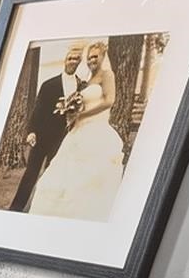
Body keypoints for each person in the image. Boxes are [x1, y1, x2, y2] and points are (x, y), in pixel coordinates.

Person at [29, 38, 126, 219]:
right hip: (78, 130)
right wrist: (72, 111)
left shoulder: (107, 75)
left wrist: (82, 114)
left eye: (95, 57)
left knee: (88, 176)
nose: (91, 60)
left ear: (103, 56)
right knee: (62, 171)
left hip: (96, 130)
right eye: (89, 58)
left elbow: (109, 100)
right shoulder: (87, 81)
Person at [6, 41, 88, 210]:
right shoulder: (49, 84)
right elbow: (38, 110)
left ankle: (45, 209)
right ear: (65, 60)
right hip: (42, 136)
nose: (72, 61)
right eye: (70, 58)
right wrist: (31, 132)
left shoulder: (82, 87)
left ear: (79, 62)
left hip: (63, 138)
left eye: (76, 59)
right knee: (31, 173)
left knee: (54, 175)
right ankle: (16, 208)